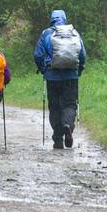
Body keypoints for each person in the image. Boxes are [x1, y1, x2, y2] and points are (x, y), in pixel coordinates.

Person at [33, 9, 86, 150]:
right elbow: (82, 55)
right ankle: (68, 125)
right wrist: (79, 70)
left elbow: (38, 55)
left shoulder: (46, 33)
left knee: (55, 106)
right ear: (64, 19)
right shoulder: (74, 33)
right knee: (70, 104)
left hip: (52, 76)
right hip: (71, 76)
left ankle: (57, 139)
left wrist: (44, 69)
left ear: (51, 20)